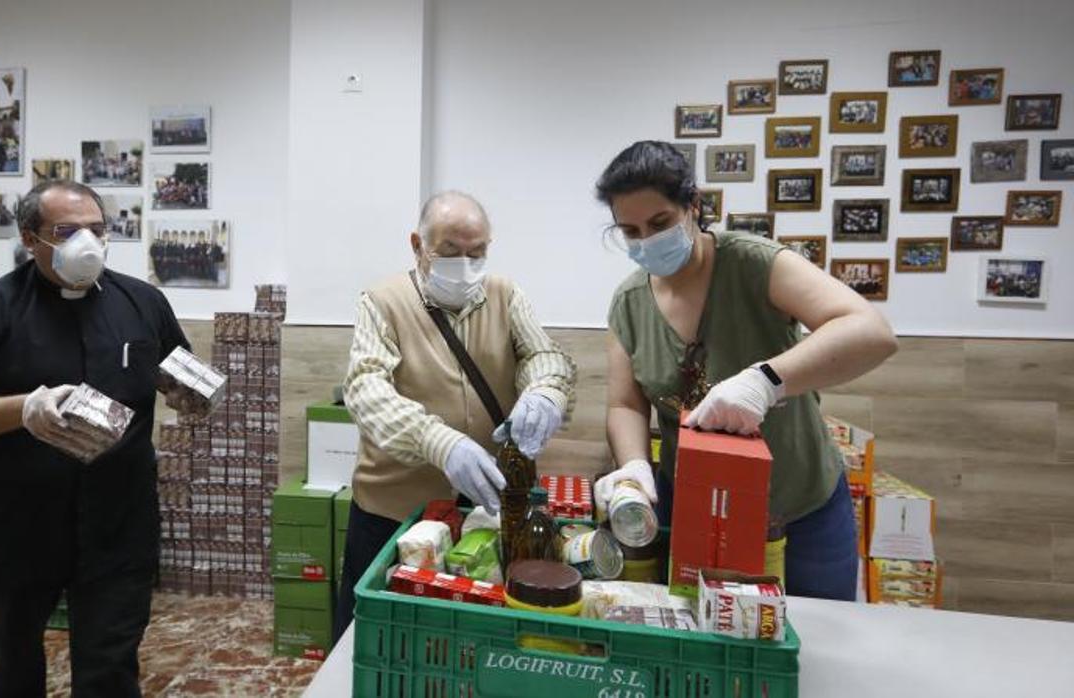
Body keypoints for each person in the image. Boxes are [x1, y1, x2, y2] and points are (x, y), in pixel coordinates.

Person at [0, 181, 205, 696]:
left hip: (118, 526)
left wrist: (193, 395)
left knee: (111, 664)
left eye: (97, 230)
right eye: (67, 232)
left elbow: (175, 372)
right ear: (31, 239)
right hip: (13, 527)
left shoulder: (142, 303)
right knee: (11, 663)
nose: (87, 243)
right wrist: (23, 409)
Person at [592, 141, 898, 601]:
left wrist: (766, 381)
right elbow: (625, 404)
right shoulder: (630, 303)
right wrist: (635, 464)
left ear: (693, 206)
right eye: (631, 232)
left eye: (660, 223)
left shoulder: (754, 264)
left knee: (816, 638)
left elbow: (872, 332)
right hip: (695, 506)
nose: (647, 241)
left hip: (798, 509)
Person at [334, 191, 577, 640]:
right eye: (449, 251)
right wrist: (439, 442)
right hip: (392, 514)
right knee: (374, 638)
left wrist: (544, 393)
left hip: (484, 513)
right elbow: (366, 389)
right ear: (417, 244)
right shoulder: (382, 301)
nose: (464, 264)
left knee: (467, 642)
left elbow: (543, 355)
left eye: (476, 252)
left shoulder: (505, 295)